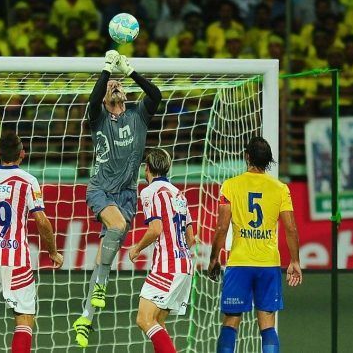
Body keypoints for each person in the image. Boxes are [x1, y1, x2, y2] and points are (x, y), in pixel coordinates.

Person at [72, 50, 162, 348]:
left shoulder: (138, 114)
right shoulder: (98, 118)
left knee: (104, 257)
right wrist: (107, 73)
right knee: (117, 226)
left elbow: (156, 94)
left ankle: (86, 317)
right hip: (100, 189)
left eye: (117, 86)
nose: (114, 89)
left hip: (127, 194)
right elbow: (93, 98)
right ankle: (100, 288)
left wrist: (130, 71)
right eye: (110, 89)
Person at [0, 131, 63, 353]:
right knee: (24, 318)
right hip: (14, 256)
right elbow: (42, 222)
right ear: (22, 154)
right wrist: (53, 252)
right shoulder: (28, 181)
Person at [208, 136, 302, 353]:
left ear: (247, 156)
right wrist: (295, 261)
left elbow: (222, 228)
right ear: (268, 160)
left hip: (239, 262)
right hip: (268, 264)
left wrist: (214, 258)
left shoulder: (230, 186)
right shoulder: (280, 189)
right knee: (267, 323)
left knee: (231, 319)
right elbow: (291, 228)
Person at [128, 148, 195, 353]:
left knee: (144, 318)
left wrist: (137, 248)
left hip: (168, 265)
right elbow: (191, 238)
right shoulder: (179, 194)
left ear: (146, 168)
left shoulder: (150, 191)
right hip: (185, 264)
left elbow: (155, 229)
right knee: (158, 322)